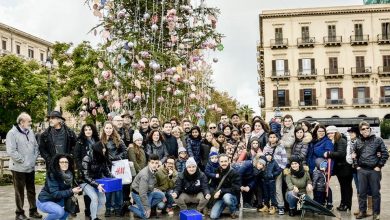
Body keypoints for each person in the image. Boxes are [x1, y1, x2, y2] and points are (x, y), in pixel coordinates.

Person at [6, 112, 42, 220]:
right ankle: (19, 213)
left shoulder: (30, 131)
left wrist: (33, 158)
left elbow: (36, 146)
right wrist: (23, 160)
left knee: (31, 190)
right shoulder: (11, 133)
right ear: (22, 122)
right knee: (19, 191)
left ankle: (33, 211)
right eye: (29, 121)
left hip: (30, 167)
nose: (30, 123)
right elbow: (11, 151)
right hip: (18, 168)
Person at [354, 121, 389, 220]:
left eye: (367, 128)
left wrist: (379, 166)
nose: (365, 130)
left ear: (370, 129)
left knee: (375, 193)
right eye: (363, 129)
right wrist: (357, 166)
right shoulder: (357, 141)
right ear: (360, 131)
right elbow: (354, 155)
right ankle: (362, 211)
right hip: (362, 170)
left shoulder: (378, 140)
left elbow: (385, 154)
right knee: (362, 193)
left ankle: (376, 213)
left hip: (374, 170)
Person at [36, 154, 82, 220]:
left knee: (69, 207)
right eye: (62, 162)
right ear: (57, 164)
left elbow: (67, 190)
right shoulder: (53, 175)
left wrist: (76, 190)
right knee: (59, 212)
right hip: (45, 201)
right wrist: (72, 191)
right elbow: (55, 193)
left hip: (58, 200)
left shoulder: (69, 175)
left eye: (66, 162)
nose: (64, 164)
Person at [100, 121, 127, 217]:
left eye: (110, 128)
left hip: (117, 166)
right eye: (106, 128)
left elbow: (125, 151)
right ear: (103, 128)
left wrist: (117, 157)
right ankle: (108, 208)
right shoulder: (100, 140)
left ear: (113, 129)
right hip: (106, 167)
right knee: (108, 189)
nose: (108, 130)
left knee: (117, 188)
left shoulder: (118, 139)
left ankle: (117, 208)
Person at [74, 123, 100, 218]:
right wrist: (81, 168)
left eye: (90, 129)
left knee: (94, 191)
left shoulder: (97, 141)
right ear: (83, 131)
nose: (88, 131)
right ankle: (88, 210)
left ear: (93, 130)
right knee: (88, 192)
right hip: (85, 171)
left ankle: (93, 212)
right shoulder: (80, 142)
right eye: (86, 129)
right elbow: (76, 157)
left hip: (95, 171)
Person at [80, 142, 111, 220]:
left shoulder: (103, 158)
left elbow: (107, 173)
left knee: (103, 200)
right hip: (85, 182)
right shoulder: (87, 158)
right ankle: (94, 218)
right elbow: (85, 176)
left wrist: (116, 180)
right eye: (102, 150)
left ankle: (92, 214)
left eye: (105, 150)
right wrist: (97, 185)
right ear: (97, 149)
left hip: (98, 181)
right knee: (94, 198)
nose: (104, 151)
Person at [324, 125, 352, 212]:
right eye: (328, 133)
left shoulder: (341, 140)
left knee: (346, 187)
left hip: (345, 168)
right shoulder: (336, 140)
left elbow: (341, 153)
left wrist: (329, 154)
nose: (329, 135)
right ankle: (343, 204)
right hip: (341, 168)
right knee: (343, 187)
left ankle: (346, 205)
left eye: (331, 133)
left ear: (336, 132)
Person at [129, 154, 166, 219]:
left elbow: (152, 186)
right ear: (149, 163)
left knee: (161, 195)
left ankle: (140, 207)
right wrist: (148, 208)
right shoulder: (145, 175)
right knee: (145, 216)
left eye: (156, 163)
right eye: (152, 163)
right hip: (138, 194)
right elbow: (142, 194)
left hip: (148, 192)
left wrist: (161, 193)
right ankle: (130, 207)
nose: (154, 165)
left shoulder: (154, 170)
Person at [209, 154, 241, 220]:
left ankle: (233, 211)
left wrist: (221, 191)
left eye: (225, 161)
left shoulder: (235, 172)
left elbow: (236, 188)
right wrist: (213, 193)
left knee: (226, 197)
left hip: (232, 196)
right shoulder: (217, 171)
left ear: (229, 161)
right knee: (213, 216)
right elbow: (212, 185)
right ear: (219, 162)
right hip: (220, 198)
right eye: (222, 161)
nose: (224, 163)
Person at [263, 131, 288, 215]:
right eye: (271, 137)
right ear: (268, 138)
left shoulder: (280, 147)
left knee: (277, 188)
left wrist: (280, 170)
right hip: (269, 171)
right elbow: (264, 159)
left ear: (277, 138)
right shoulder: (266, 147)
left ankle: (281, 207)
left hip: (278, 170)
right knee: (269, 189)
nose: (272, 139)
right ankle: (271, 206)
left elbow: (284, 160)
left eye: (274, 137)